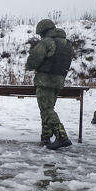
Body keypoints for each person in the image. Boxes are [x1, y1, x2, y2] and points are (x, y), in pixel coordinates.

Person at [25, 19, 75, 150]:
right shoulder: (66, 43)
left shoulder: (47, 42)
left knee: (46, 110)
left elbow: (34, 59)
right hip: (59, 81)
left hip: (45, 80)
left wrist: (30, 66)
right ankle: (46, 136)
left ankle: (62, 137)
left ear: (43, 31)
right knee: (47, 109)